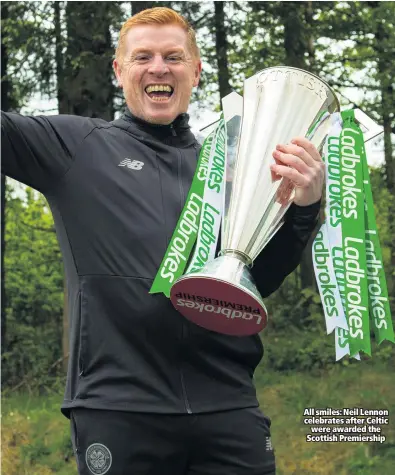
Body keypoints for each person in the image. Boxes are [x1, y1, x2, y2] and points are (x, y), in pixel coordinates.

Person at [1, 7, 325, 475]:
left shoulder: (231, 169)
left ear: (195, 71)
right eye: (143, 57)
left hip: (228, 406)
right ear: (119, 71)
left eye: (173, 56)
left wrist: (305, 205)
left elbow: (259, 280)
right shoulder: (74, 146)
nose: (159, 68)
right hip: (120, 408)